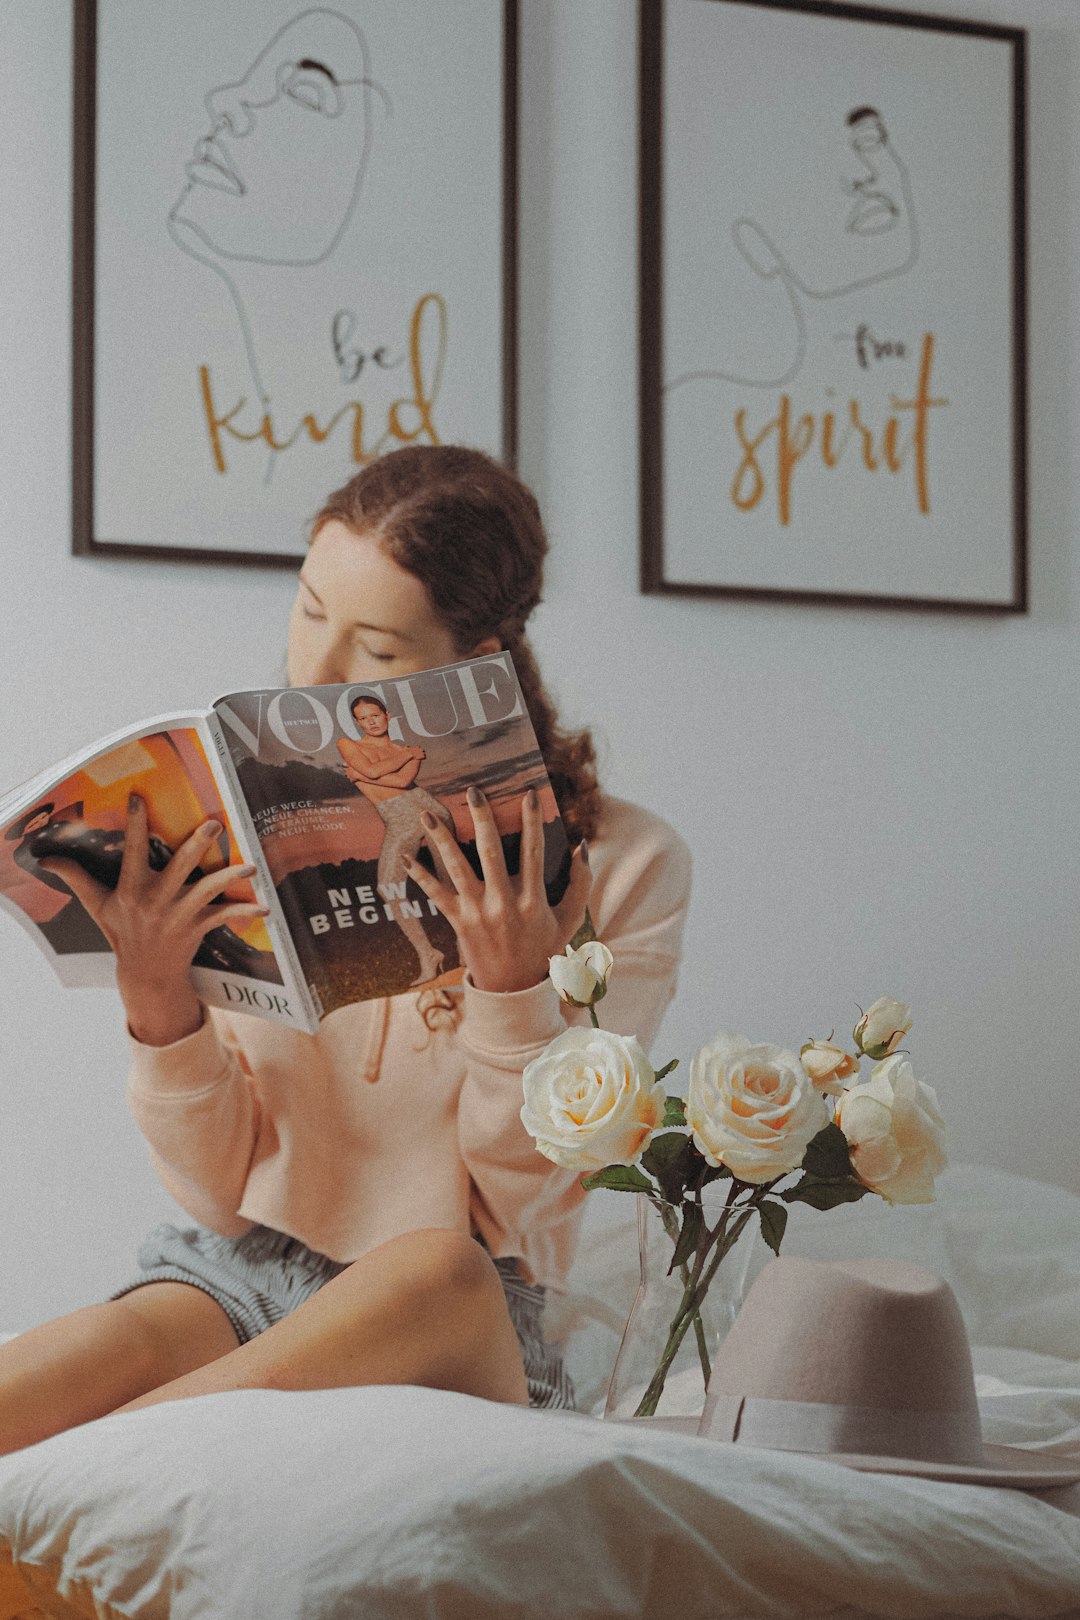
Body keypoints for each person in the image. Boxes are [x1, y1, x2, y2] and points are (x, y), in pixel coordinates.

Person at [0, 445, 691, 1455]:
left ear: (477, 661)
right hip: (233, 1272)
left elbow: (529, 1194)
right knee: (83, 1353)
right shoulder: (255, 819)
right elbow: (217, 1199)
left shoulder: (625, 865)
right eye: (310, 608)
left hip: (448, 1306)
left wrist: (510, 993)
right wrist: (161, 1007)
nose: (314, 669)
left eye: (375, 648)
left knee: (439, 1266)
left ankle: (95, 1475)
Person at [336, 692, 455, 984]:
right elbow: (374, 770)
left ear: (388, 716)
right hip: (398, 818)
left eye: (375, 715)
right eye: (363, 718)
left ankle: (465, 947)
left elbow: (401, 782)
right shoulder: (349, 745)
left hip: (428, 810)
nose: (370, 722)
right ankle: (428, 954)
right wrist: (399, 759)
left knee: (451, 883)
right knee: (389, 889)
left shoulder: (404, 749)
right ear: (356, 721)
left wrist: (365, 775)